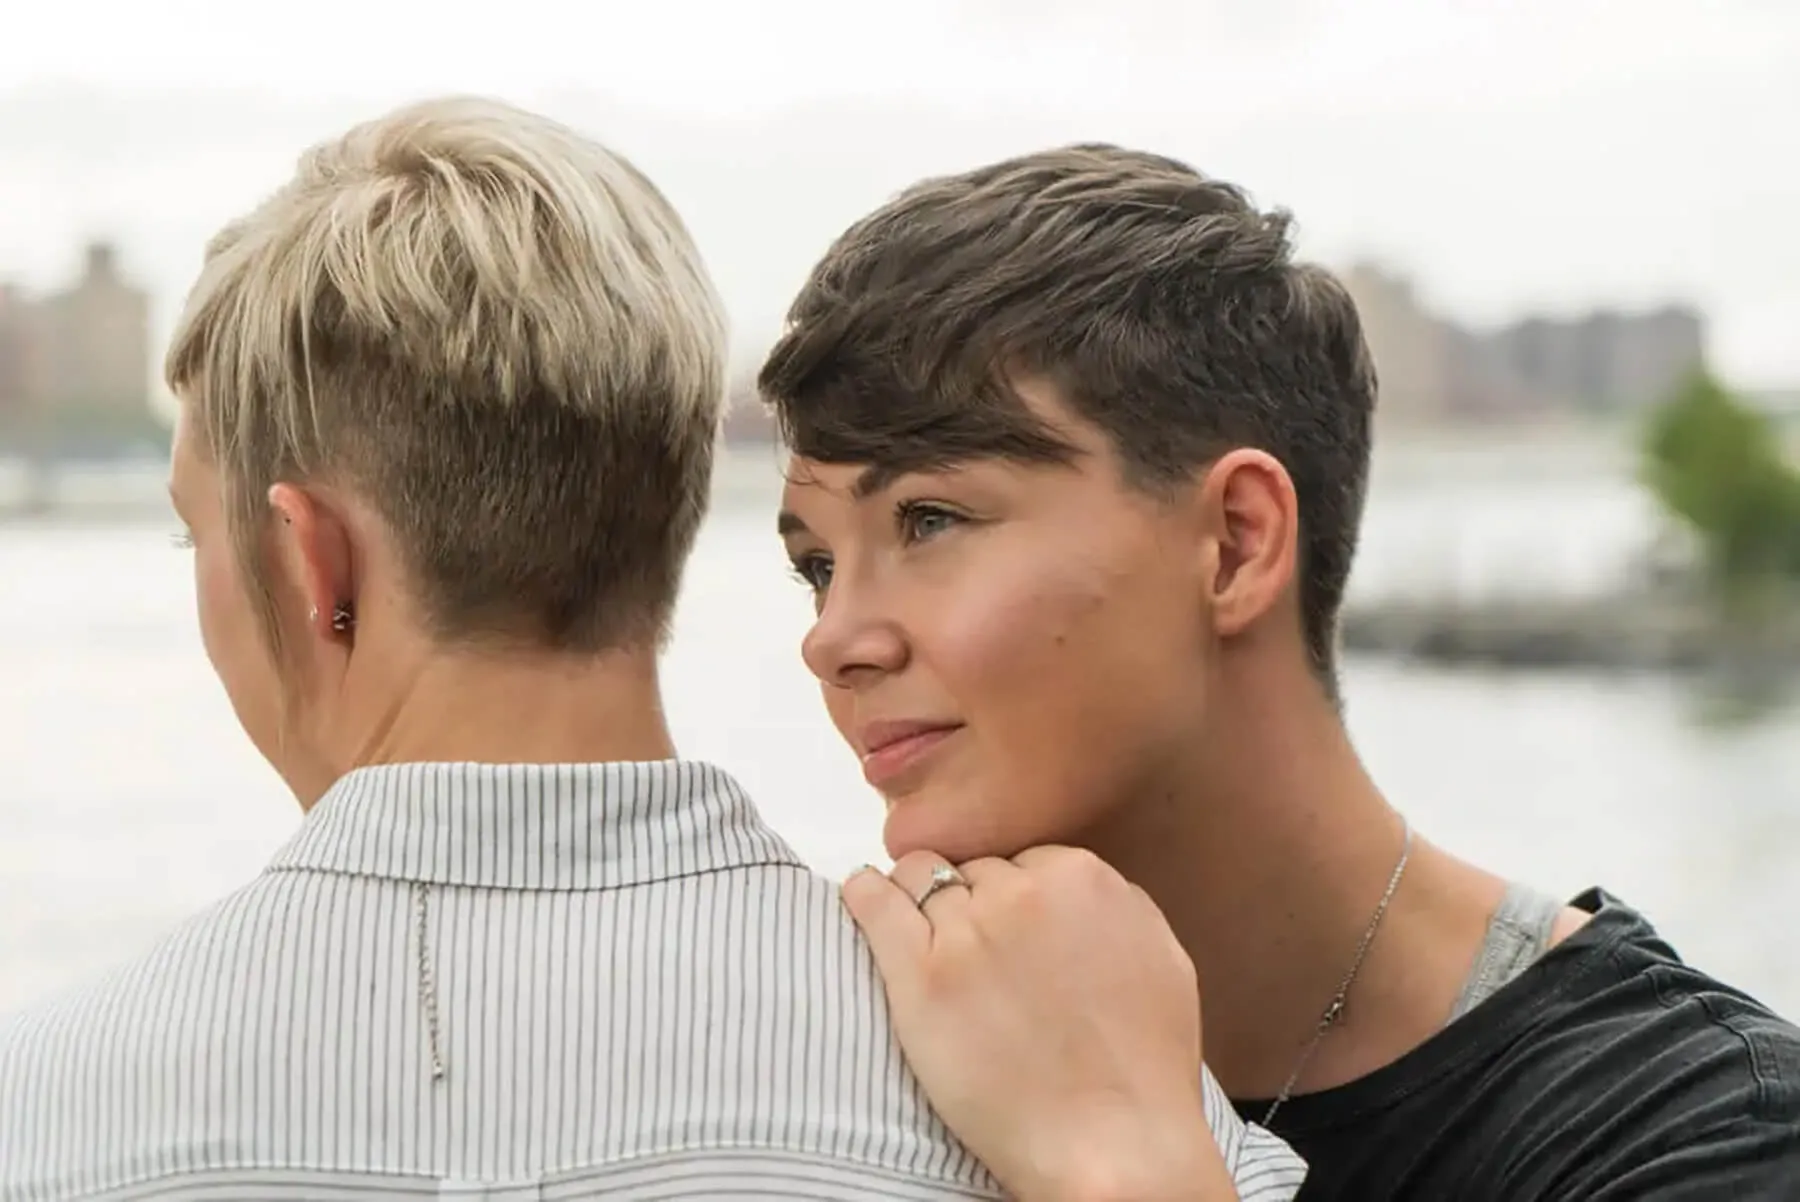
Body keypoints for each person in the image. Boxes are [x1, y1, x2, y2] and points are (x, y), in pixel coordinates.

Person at [0, 100, 1300, 1202]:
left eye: (199, 544)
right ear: (658, 497)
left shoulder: (46, 1114)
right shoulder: (1097, 1103)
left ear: (310, 563)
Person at [760, 143, 1800, 1200]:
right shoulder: (846, 1088)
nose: (835, 636)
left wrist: (1120, 1167)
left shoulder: (1702, 1134)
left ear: (1237, 543)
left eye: (929, 519)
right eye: (818, 566)